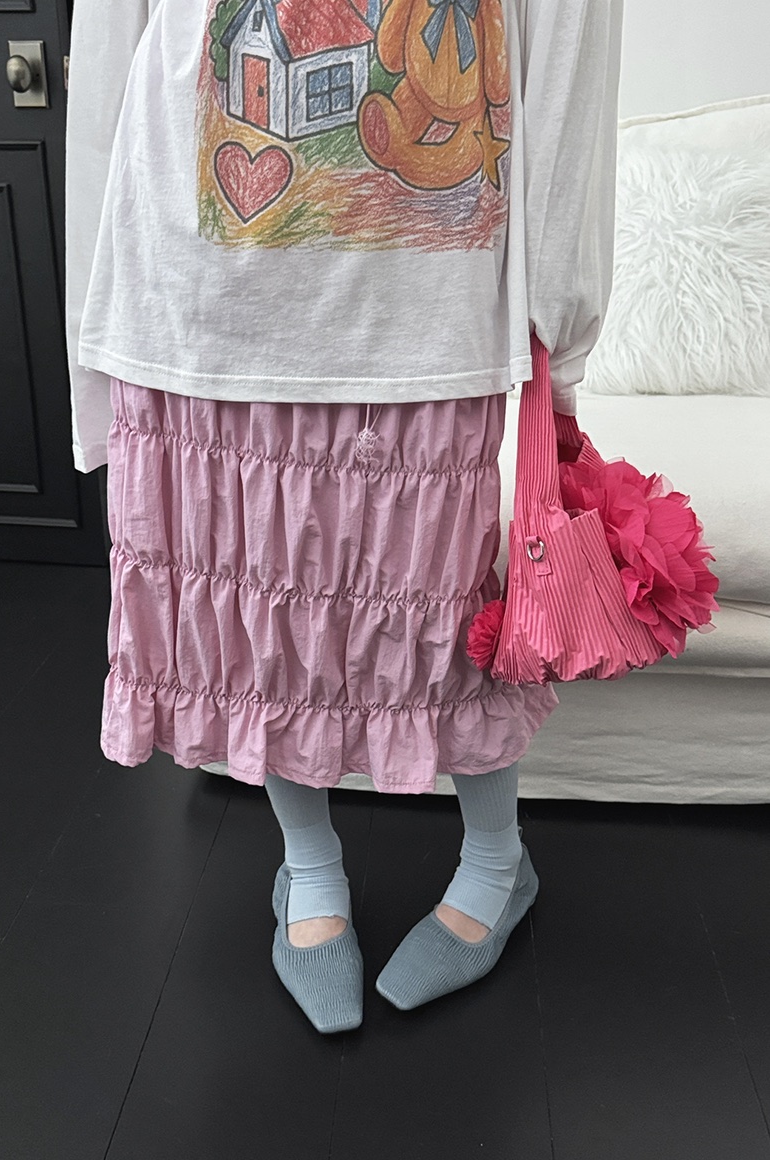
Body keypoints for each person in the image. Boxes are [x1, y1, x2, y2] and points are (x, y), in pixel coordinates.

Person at [65, 0, 624, 1033]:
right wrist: (90, 334)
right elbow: (112, 39)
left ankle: (497, 862)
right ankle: (309, 868)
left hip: (431, 292)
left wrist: (562, 320)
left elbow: (570, 36)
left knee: (454, 619)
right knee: (262, 617)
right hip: (196, 285)